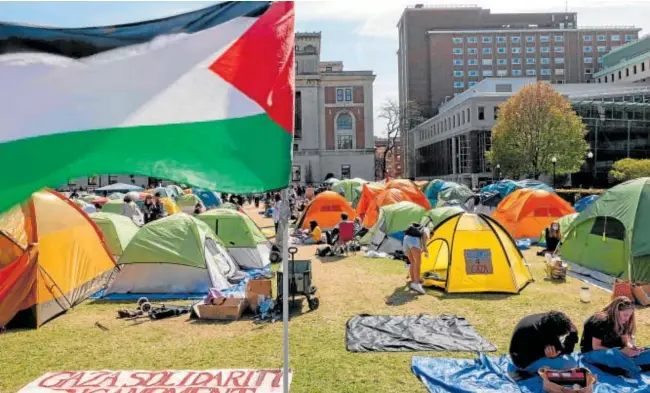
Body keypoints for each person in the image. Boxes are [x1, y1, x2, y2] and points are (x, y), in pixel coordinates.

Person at [581, 296, 650, 375]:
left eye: (629, 315)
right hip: (593, 353)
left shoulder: (623, 321)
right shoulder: (600, 321)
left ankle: (627, 365)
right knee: (613, 355)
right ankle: (634, 367)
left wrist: (632, 347)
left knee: (646, 351)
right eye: (625, 315)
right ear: (616, 311)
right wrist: (621, 352)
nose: (627, 319)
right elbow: (596, 347)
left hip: (617, 352)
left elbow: (625, 340)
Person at [509, 311, 579, 373]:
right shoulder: (547, 333)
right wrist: (573, 334)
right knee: (571, 363)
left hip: (517, 354)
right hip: (523, 364)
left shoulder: (546, 319)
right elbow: (567, 351)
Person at [403, 222, 429, 295]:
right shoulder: (427, 230)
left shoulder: (418, 229)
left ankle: (413, 281)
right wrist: (426, 249)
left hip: (406, 238)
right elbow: (424, 238)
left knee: (412, 262)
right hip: (413, 241)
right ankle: (417, 283)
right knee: (418, 261)